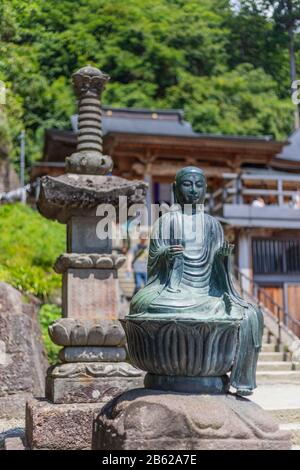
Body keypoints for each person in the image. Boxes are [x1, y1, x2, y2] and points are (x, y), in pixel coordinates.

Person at [129, 166, 263, 396]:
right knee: (146, 305)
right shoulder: (166, 221)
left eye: (199, 185)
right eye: (187, 184)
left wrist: (222, 258)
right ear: (175, 188)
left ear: (205, 190)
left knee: (250, 313)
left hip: (206, 294)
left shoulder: (212, 224)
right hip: (172, 292)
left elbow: (219, 276)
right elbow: (153, 267)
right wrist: (166, 255)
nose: (193, 190)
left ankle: (241, 380)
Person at [127, 230, 149, 295]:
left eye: (145, 238)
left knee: (147, 286)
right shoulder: (135, 247)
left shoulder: (148, 247)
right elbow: (130, 255)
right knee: (138, 286)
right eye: (142, 238)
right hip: (137, 269)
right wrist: (128, 266)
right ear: (139, 238)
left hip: (146, 270)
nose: (143, 240)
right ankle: (134, 299)